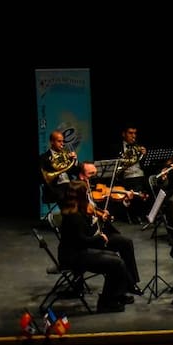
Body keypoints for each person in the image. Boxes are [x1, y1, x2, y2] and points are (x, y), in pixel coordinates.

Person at [56, 180, 133, 313]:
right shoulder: (73, 216)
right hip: (73, 257)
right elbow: (82, 241)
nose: (88, 194)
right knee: (116, 263)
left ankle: (116, 296)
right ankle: (106, 302)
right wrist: (99, 238)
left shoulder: (76, 212)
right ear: (81, 195)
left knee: (115, 258)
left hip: (79, 252)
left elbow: (83, 236)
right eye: (86, 193)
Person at [75, 162, 142, 295]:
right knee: (117, 253)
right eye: (90, 175)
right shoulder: (77, 192)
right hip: (91, 238)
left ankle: (131, 283)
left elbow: (110, 210)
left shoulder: (93, 190)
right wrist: (96, 216)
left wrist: (124, 202)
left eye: (95, 174)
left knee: (126, 242)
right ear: (81, 176)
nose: (94, 178)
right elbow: (81, 222)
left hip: (102, 231)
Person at [39, 130, 77, 205]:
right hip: (54, 188)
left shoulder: (66, 155)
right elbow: (41, 177)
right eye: (59, 141)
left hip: (69, 185)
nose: (62, 144)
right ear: (52, 142)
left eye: (63, 141)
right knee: (69, 192)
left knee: (81, 187)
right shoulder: (44, 157)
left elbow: (75, 171)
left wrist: (74, 160)